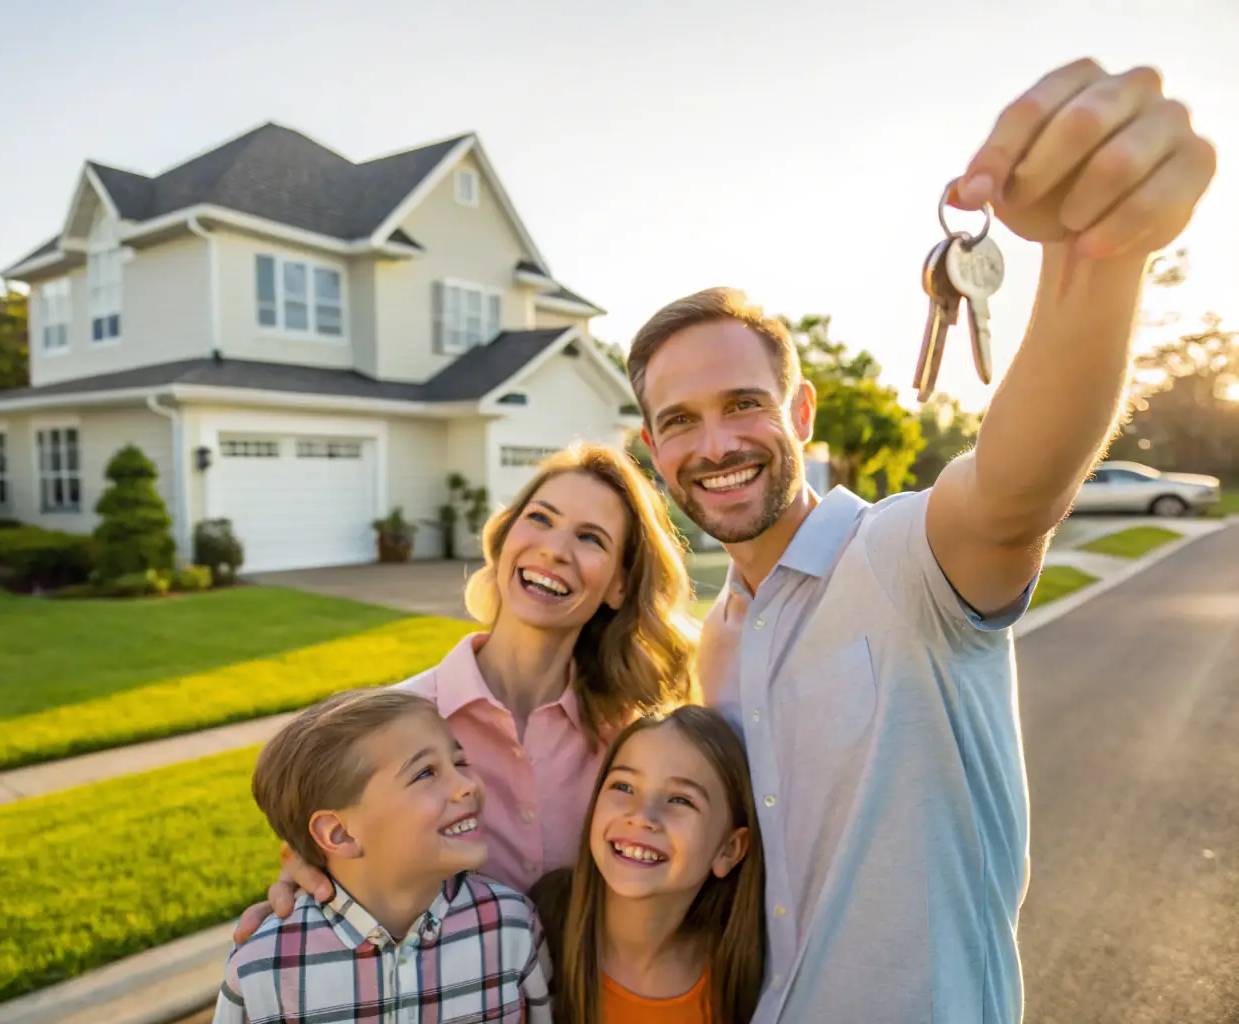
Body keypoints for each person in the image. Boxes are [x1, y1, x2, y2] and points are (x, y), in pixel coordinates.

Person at [620, 59, 1215, 1022]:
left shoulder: (904, 561)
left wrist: (1098, 258)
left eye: (743, 405)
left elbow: (1016, 487)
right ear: (654, 448)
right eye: (679, 421)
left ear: (801, 413)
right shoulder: (715, 641)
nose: (715, 444)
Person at [233, 442, 699, 940]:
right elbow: (335, 856)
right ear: (504, 539)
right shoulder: (396, 727)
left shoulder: (631, 743)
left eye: (590, 538)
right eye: (541, 519)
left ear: (620, 586)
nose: (554, 550)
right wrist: (304, 879)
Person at [213, 689, 551, 1023]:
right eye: (425, 773)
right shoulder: (262, 965)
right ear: (340, 833)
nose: (467, 785)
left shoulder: (512, 925)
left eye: (460, 762)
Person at [530, 706, 766, 1024]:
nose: (641, 816)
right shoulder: (536, 930)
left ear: (729, 849)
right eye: (624, 787)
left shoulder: (740, 978)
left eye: (681, 800)